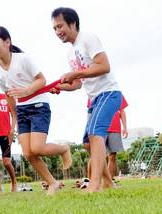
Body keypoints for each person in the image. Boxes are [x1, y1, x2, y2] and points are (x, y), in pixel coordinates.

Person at [0, 26, 72, 196]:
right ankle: (52, 183)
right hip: (22, 110)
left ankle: (63, 149)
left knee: (38, 148)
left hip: (38, 105)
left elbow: (42, 80)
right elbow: (9, 96)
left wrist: (26, 92)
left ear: (7, 42)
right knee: (28, 153)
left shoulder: (23, 59)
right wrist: (14, 120)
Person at [52, 7, 123, 192]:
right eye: (54, 29)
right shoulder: (70, 53)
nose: (58, 31)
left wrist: (75, 73)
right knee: (87, 142)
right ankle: (108, 182)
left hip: (108, 92)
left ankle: (95, 184)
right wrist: (58, 86)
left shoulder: (88, 38)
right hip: (94, 99)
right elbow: (77, 84)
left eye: (60, 26)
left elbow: (104, 66)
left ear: (73, 23)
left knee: (95, 134)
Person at [85, 96, 129, 180]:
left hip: (115, 128)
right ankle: (90, 181)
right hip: (98, 128)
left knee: (112, 155)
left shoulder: (117, 92)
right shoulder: (94, 91)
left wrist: (125, 127)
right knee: (95, 154)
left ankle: (109, 181)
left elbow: (122, 111)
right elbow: (90, 112)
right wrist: (88, 128)